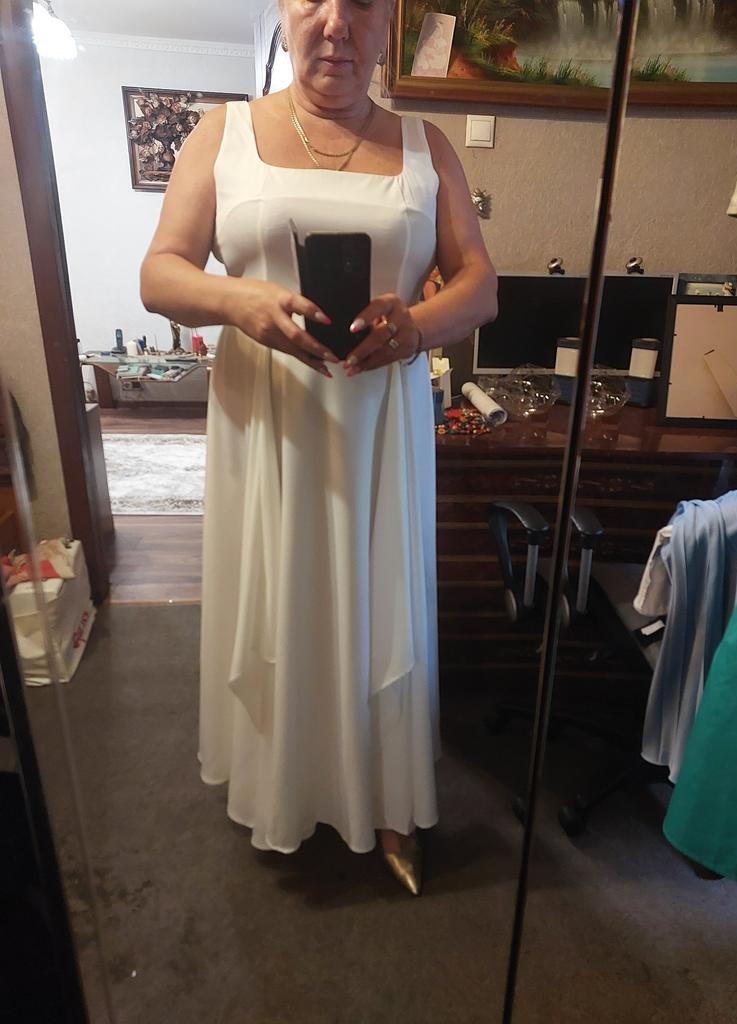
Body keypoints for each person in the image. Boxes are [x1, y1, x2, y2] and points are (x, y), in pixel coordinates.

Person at [140, 0, 497, 895]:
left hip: (381, 423)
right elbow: (161, 271)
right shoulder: (222, 133)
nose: (335, 22)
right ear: (283, 12)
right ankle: (285, 788)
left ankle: (390, 799)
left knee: (381, 599)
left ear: (388, 24)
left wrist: (418, 324)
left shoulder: (426, 145)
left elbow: (480, 285)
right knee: (284, 593)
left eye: (362, 2)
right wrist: (239, 301)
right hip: (269, 423)